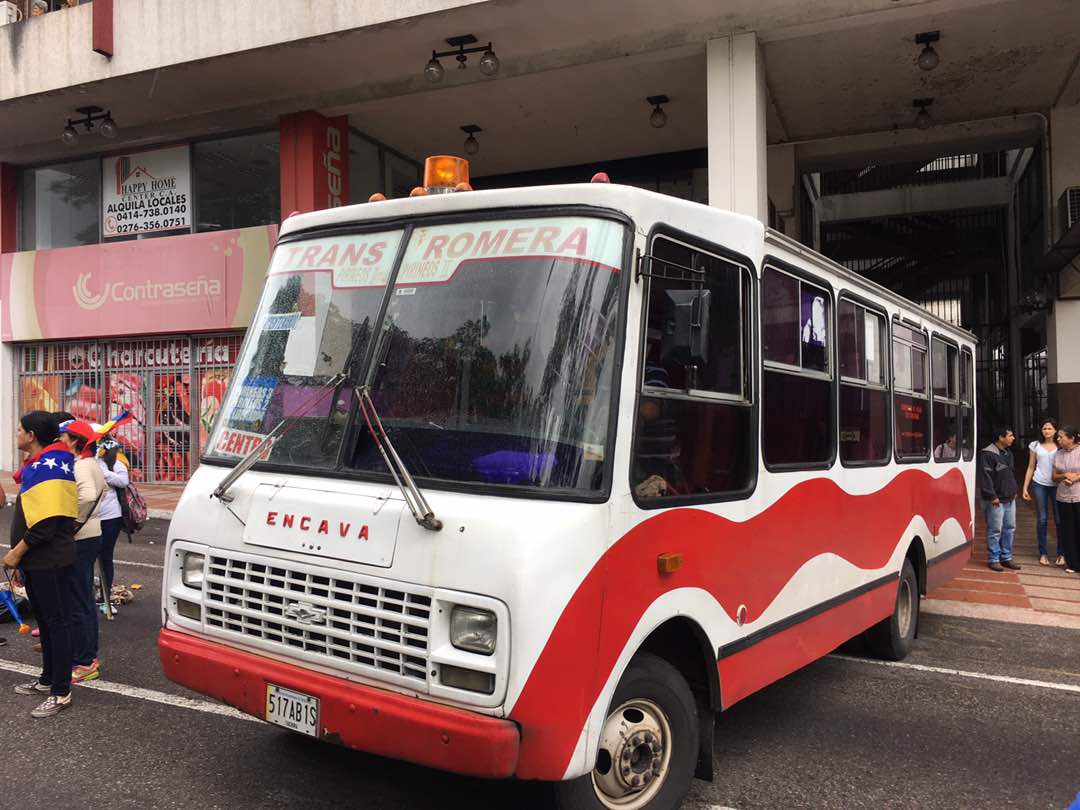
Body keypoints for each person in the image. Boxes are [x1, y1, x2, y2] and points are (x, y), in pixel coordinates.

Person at [2, 411, 78, 718]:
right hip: (38, 561)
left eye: (20, 429)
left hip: (51, 560)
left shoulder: (51, 468)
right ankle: (48, 680)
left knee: (56, 623)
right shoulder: (38, 466)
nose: (16, 433)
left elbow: (46, 526)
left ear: (31, 435)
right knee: (45, 622)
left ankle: (61, 691)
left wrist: (16, 553)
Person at [57, 418, 106, 683]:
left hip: (81, 537)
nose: (59, 440)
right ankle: (86, 655)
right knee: (82, 598)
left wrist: (71, 520)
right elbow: (103, 492)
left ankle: (85, 661)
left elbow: (87, 496)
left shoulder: (82, 465)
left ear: (75, 441)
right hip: (90, 535)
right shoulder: (89, 464)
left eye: (63, 436)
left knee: (79, 600)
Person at [1022, 418, 1064, 566]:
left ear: (1055, 430)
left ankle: (1061, 553)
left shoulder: (1061, 445)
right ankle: (1043, 553)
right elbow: (1031, 466)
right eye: (1044, 428)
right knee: (1042, 519)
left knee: (1060, 519)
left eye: (1050, 428)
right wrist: (1025, 487)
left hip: (1058, 485)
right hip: (1039, 484)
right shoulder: (1035, 445)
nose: (1047, 431)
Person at [978, 426, 1021, 572]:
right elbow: (985, 478)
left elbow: (1011, 474)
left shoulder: (1008, 453)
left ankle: (1006, 557)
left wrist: (1014, 490)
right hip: (995, 500)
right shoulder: (987, 454)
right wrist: (992, 496)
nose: (1013, 438)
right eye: (1010, 435)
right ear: (1000, 438)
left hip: (1009, 498)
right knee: (995, 529)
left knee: (1009, 528)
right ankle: (994, 559)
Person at [96, 434, 130, 606]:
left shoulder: (116, 461)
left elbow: (124, 481)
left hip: (111, 517)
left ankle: (105, 596)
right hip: (90, 517)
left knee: (105, 556)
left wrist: (104, 473)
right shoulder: (89, 461)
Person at [1052, 425, 1080, 574]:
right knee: (1067, 530)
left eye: (1061, 436)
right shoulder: (1058, 454)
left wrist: (1075, 478)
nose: (1058, 439)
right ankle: (1072, 563)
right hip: (1062, 497)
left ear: (1071, 438)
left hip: (1078, 496)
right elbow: (1054, 476)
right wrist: (1065, 475)